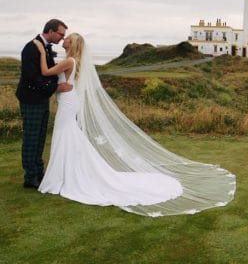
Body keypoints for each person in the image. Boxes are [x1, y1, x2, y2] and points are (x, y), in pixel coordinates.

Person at [32, 33, 236, 216]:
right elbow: (62, 81)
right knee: (68, 136)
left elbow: (46, 71)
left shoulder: (69, 60)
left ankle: (64, 175)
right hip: (68, 100)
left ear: (73, 43)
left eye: (68, 38)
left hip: (67, 103)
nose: (64, 39)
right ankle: (67, 172)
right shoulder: (73, 60)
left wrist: (41, 52)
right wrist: (60, 85)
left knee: (64, 134)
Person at [16, 19, 72, 188]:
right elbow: (32, 76)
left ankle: (38, 172)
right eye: (61, 34)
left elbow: (48, 71)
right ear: (50, 30)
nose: (62, 38)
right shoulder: (32, 47)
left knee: (40, 137)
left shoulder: (44, 47)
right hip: (31, 98)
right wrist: (56, 87)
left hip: (41, 98)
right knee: (32, 137)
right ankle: (30, 177)